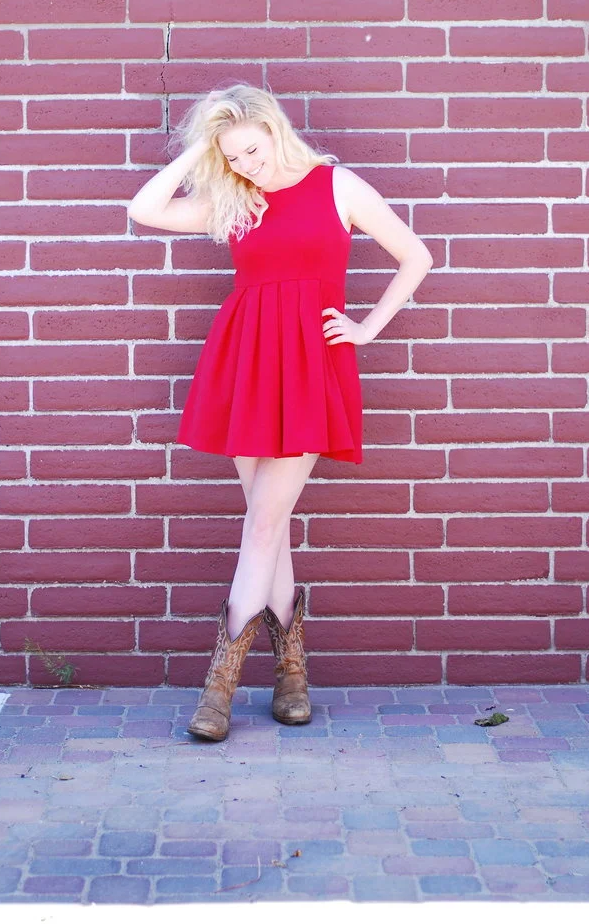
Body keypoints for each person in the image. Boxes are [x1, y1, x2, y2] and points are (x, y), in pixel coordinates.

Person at [128, 84, 433, 741]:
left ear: (274, 129)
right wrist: (200, 153)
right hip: (246, 362)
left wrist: (367, 327)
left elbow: (416, 256)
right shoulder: (234, 196)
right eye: (230, 155)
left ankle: (219, 687)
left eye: (250, 149)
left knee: (263, 526)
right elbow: (145, 209)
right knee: (272, 524)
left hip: (308, 367)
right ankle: (292, 677)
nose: (244, 164)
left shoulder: (338, 186)